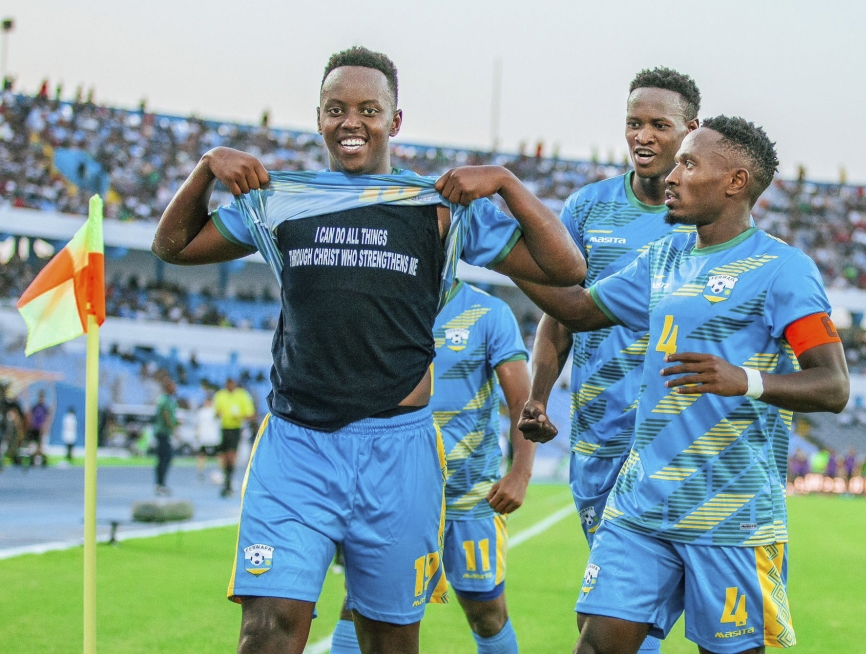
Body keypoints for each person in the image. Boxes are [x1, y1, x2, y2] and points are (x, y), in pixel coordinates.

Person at [151, 46, 584, 654]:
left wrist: (507, 184)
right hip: (297, 446)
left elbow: (566, 269)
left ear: (395, 121)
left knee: (388, 639)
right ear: (319, 117)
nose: (350, 121)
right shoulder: (281, 200)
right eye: (336, 109)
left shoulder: (438, 208)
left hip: (398, 450)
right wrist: (204, 170)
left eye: (368, 109)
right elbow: (173, 246)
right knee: (267, 629)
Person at [517, 116, 850, 653]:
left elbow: (833, 387)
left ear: (735, 182)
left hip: (730, 516)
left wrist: (746, 381)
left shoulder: (784, 269)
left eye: (690, 163)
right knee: (598, 644)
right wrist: (496, 249)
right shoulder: (664, 257)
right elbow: (576, 309)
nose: (672, 174)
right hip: (640, 503)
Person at [518, 66, 700, 654]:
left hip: (673, 440)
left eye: (659, 125)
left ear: (690, 130)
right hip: (598, 438)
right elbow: (560, 316)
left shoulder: (707, 220)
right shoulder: (588, 209)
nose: (643, 136)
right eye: (634, 123)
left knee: (617, 621)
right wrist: (538, 395)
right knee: (609, 618)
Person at [332, 280, 535, 654]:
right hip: (395, 491)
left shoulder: (489, 313)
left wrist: (520, 472)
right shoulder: (383, 302)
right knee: (361, 604)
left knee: (486, 612)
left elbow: (523, 398)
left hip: (472, 496)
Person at [213, 378, 255, 497]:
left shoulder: (242, 395)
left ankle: (228, 481)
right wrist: (220, 414)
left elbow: (250, 414)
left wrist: (239, 417)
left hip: (235, 429)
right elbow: (216, 412)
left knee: (231, 455)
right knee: (223, 457)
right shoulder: (220, 395)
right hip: (223, 428)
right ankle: (227, 480)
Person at [152, 377, 179, 496]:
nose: (175, 389)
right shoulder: (164, 400)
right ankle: (160, 484)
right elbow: (166, 415)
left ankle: (160, 483)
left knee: (165, 458)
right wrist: (173, 428)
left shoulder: (169, 400)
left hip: (165, 433)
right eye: (173, 386)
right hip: (162, 433)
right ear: (168, 388)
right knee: (164, 458)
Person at [24, 390, 50, 466]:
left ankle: (40, 460)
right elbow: (31, 416)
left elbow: (47, 418)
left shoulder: (45, 408)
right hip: (34, 428)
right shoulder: (35, 407)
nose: (41, 399)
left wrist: (45, 427)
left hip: (41, 429)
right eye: (40, 397)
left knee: (40, 445)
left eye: (42, 398)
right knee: (32, 445)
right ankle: (32, 459)